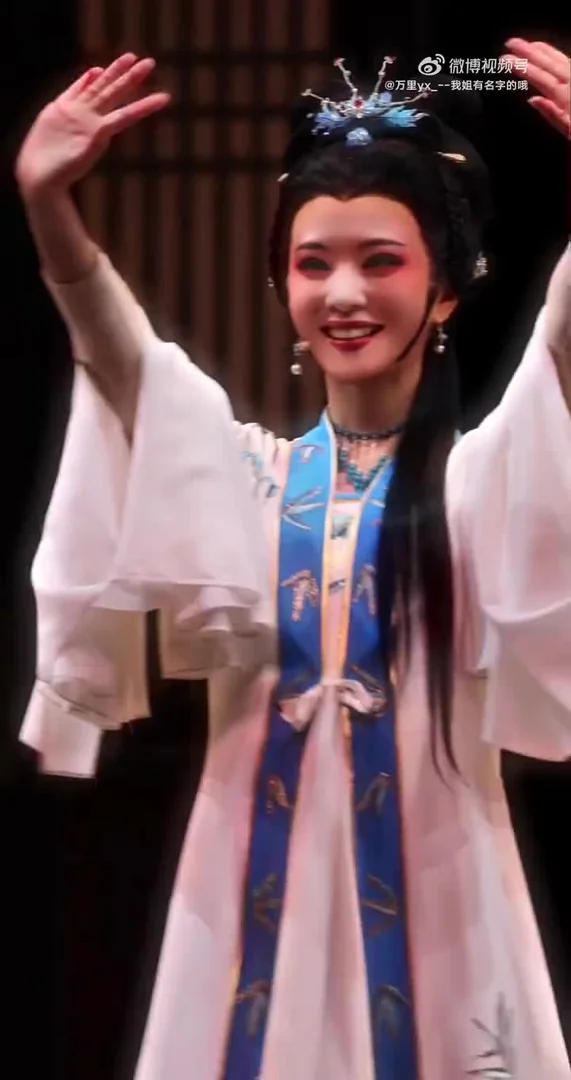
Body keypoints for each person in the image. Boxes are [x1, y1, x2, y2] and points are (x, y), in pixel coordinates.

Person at [15, 37, 571, 1080]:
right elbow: (120, 358)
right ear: (282, 286)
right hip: (244, 896)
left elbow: (560, 349)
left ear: (446, 290)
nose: (343, 293)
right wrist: (50, 208)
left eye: (381, 260)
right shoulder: (243, 480)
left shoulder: (474, 487)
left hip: (445, 898)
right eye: (313, 264)